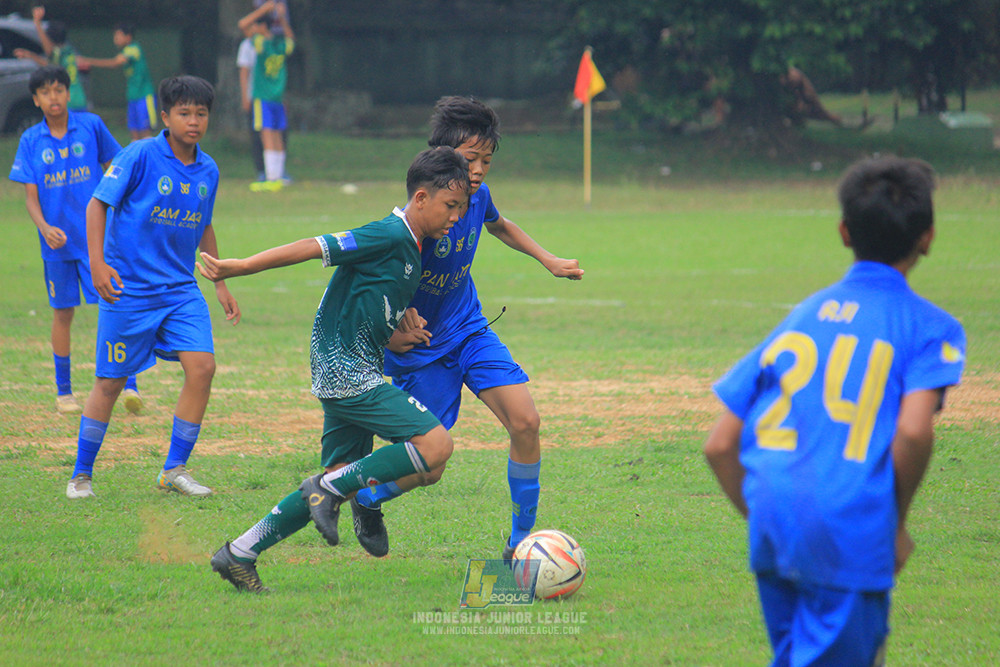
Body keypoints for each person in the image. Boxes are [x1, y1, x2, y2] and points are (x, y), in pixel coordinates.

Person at [703, 156, 965, 665]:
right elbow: (912, 434)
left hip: (774, 518)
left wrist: (770, 516)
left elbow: (718, 445)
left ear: (845, 232)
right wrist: (895, 525)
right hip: (848, 523)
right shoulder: (930, 327)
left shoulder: (801, 316)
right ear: (928, 236)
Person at [203, 147, 470, 592]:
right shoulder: (389, 233)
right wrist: (241, 266)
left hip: (355, 366)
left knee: (368, 472)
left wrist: (399, 332)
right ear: (421, 198)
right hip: (344, 370)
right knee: (435, 445)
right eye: (450, 206)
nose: (456, 218)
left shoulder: (414, 248)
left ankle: (239, 552)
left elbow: (366, 309)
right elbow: (315, 246)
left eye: (461, 209)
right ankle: (331, 489)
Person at [351, 96, 585, 561]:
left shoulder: (478, 199)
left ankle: (521, 541)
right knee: (429, 464)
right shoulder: (417, 218)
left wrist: (548, 259)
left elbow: (501, 225)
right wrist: (397, 317)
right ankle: (364, 496)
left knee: (526, 421)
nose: (478, 170)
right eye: (469, 158)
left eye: (486, 160)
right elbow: (374, 276)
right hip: (422, 349)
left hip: (469, 328)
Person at [65, 75, 241, 500]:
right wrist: (98, 264)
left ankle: (174, 469)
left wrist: (218, 281)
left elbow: (204, 223)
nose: (193, 121)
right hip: (130, 291)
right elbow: (97, 204)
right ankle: (81, 475)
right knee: (110, 383)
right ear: (165, 116)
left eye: (201, 114)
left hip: (181, 291)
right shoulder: (141, 154)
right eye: (184, 113)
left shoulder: (209, 169)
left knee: (202, 368)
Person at [8, 65, 141, 415]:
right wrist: (44, 228)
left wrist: (122, 207)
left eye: (59, 89)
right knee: (62, 314)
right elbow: (31, 198)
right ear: (36, 100)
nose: (54, 97)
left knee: (114, 305)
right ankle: (64, 392)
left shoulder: (91, 126)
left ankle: (131, 384)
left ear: (69, 93)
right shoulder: (31, 141)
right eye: (46, 92)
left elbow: (117, 166)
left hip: (98, 242)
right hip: (58, 246)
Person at [238, 1, 294, 192]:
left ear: (262, 27)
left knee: (267, 133)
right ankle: (279, 177)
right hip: (278, 98)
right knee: (277, 134)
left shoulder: (261, 45)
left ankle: (271, 178)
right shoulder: (280, 45)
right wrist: (282, 18)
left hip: (262, 98)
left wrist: (264, 9)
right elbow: (290, 38)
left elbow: (243, 25)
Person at [77, 23, 156, 142]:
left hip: (144, 96)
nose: (115, 39)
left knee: (146, 134)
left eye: (118, 36)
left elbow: (114, 63)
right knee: (134, 134)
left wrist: (87, 61)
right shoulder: (126, 50)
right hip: (132, 97)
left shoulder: (133, 49)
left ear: (128, 37)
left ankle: (150, 160)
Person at [13, 6, 87, 111]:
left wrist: (37, 23)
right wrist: (30, 55)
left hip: (67, 102)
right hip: (79, 100)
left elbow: (50, 53)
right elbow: (49, 64)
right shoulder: (68, 51)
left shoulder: (58, 52)